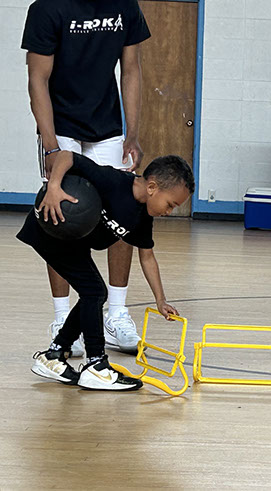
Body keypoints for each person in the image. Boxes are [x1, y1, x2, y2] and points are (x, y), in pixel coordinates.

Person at [21, 0, 151, 357]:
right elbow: (37, 79)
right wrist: (50, 144)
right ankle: (63, 317)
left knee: (124, 207)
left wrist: (132, 133)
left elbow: (131, 69)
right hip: (60, 125)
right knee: (61, 213)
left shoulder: (125, 6)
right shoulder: (47, 9)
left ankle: (117, 313)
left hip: (107, 126)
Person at [19, 151, 194, 390]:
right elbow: (66, 156)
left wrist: (160, 300)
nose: (169, 211)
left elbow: (147, 256)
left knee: (93, 292)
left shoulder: (142, 217)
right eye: (170, 204)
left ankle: (54, 356)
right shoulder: (113, 181)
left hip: (73, 243)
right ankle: (96, 365)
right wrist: (54, 187)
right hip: (50, 232)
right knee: (94, 292)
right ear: (152, 187)